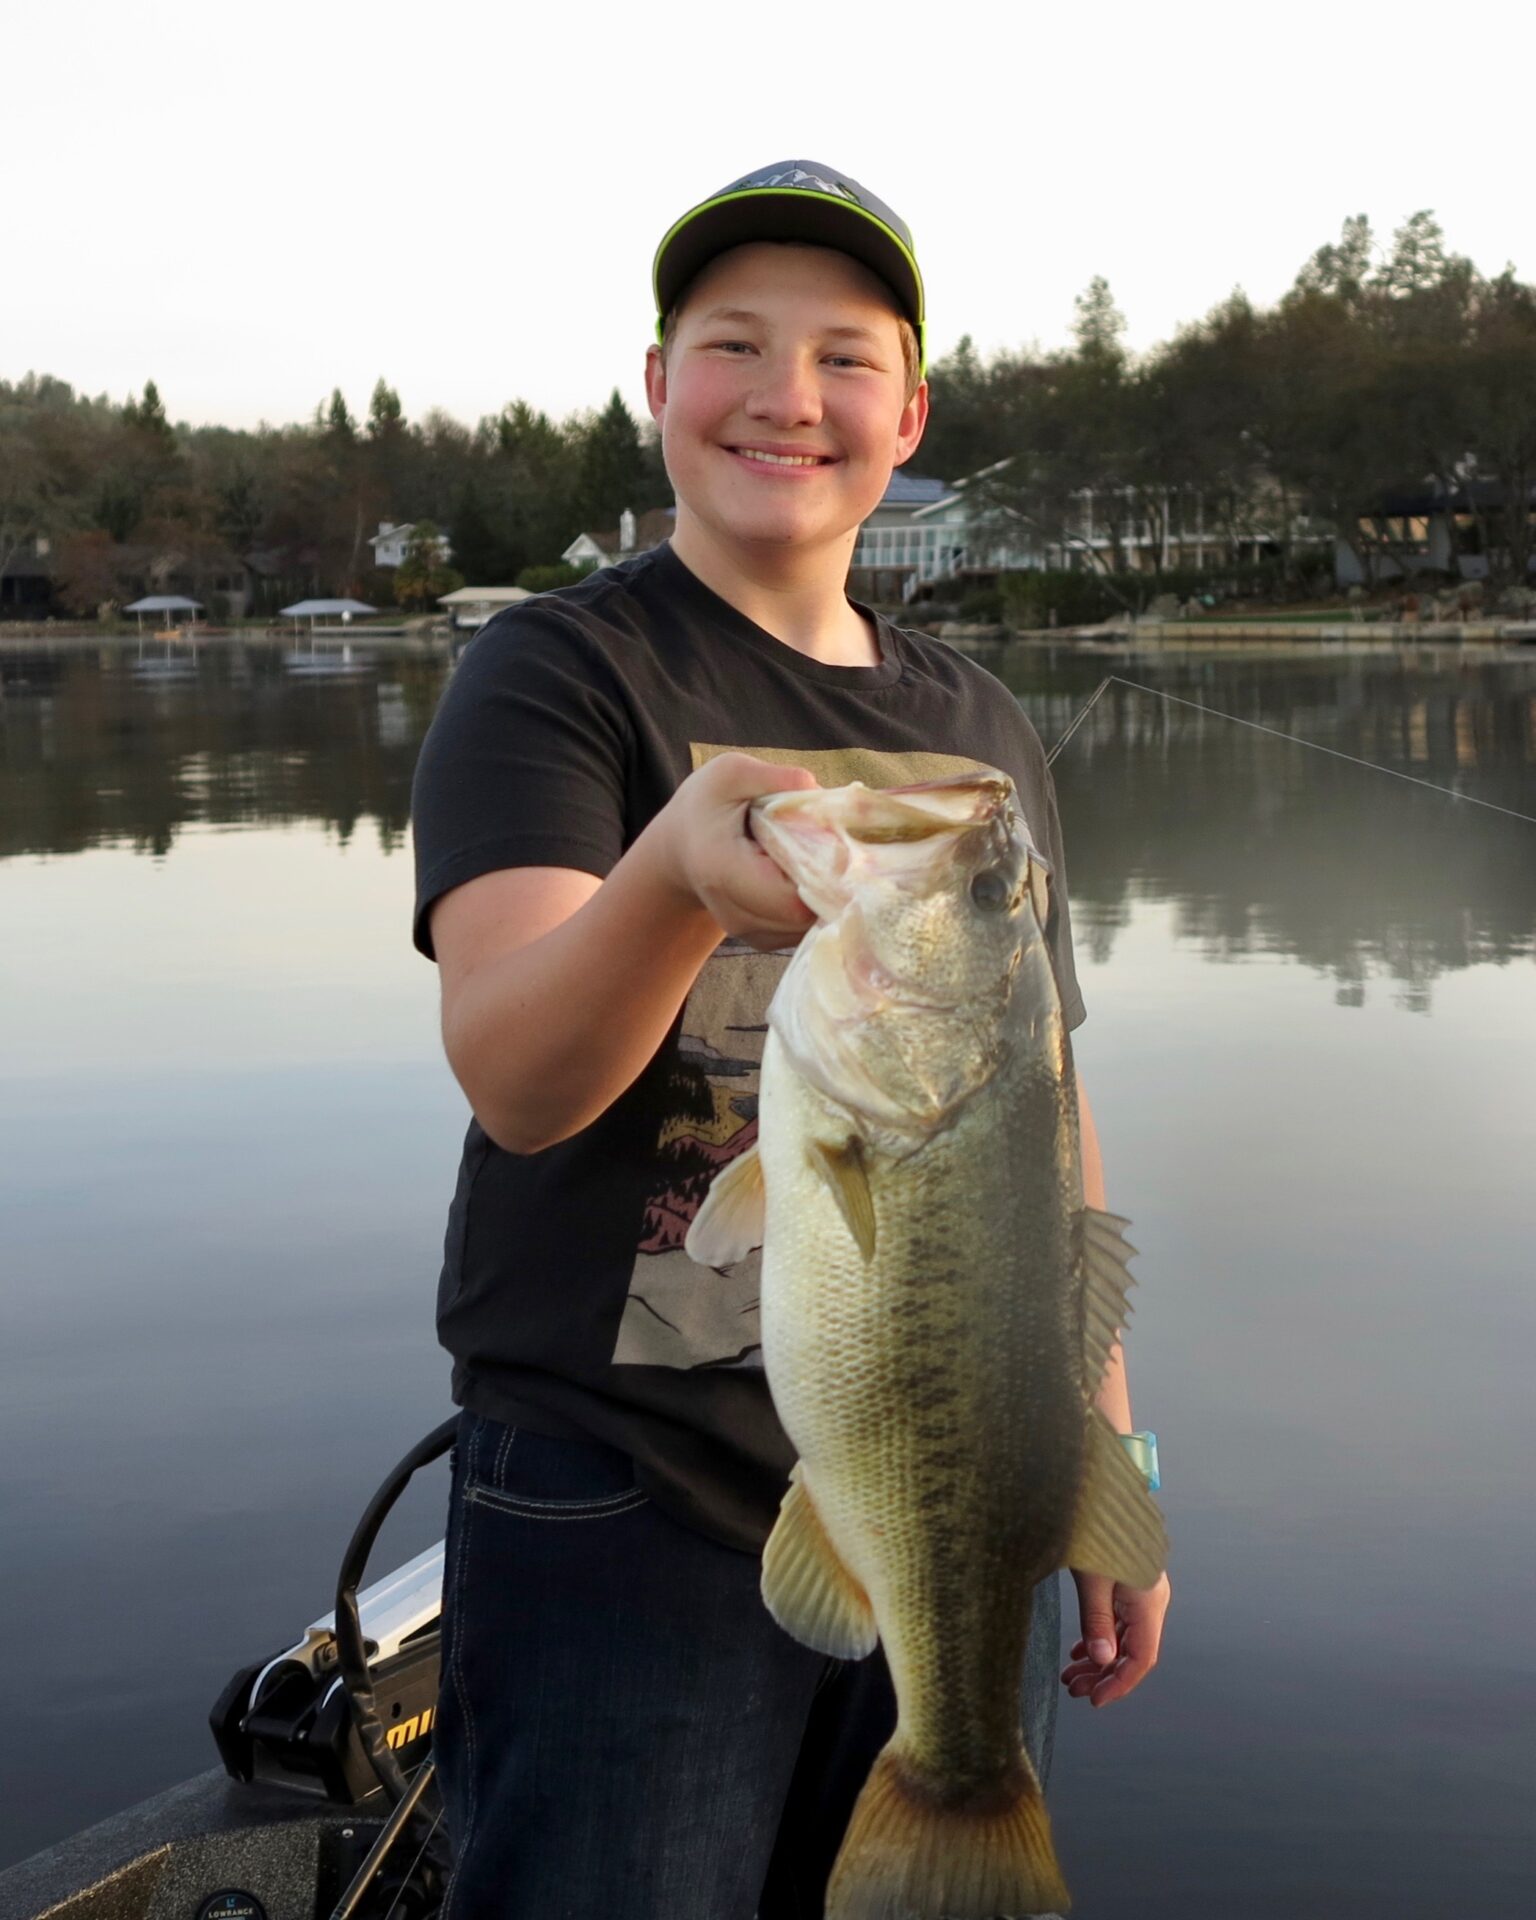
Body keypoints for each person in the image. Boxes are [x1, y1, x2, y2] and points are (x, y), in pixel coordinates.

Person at [410, 159, 1171, 1919]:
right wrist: (673, 878)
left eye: (844, 356)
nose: (787, 396)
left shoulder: (974, 721)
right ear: (657, 384)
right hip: (625, 1503)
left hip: (969, 1487)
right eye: (733, 343)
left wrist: (1111, 1454)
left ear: (908, 412)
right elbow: (520, 1083)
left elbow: (1048, 1118)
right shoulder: (557, 674)